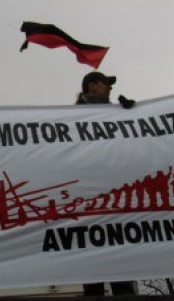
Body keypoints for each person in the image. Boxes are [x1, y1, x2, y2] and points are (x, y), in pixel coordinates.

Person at [76, 71, 135, 296]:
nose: (110, 88)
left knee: (121, 257)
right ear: (92, 86)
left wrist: (132, 115)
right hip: (88, 198)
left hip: (116, 197)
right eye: (105, 83)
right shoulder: (73, 117)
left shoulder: (115, 114)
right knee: (92, 265)